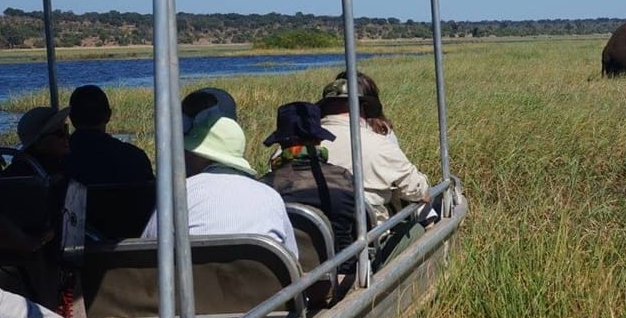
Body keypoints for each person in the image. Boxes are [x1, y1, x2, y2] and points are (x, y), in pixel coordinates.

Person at [141, 105, 298, 258]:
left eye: (187, 153)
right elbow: (291, 257)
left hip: (192, 284)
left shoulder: (177, 195)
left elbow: (147, 252)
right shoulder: (270, 196)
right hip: (268, 285)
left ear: (199, 157)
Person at [316, 71, 430, 266]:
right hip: (367, 247)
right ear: (363, 107)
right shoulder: (379, 144)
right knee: (417, 229)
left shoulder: (295, 148)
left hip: (314, 249)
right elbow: (419, 190)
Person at [258, 101, 358, 272]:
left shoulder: (264, 187)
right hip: (343, 273)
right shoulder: (344, 178)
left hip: (288, 280)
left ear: (280, 144)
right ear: (319, 140)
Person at [64, 85, 155, 239]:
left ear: (71, 118)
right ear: (108, 115)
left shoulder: (58, 159)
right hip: (131, 244)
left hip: (73, 247)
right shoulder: (134, 157)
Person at [2, 106, 70, 180]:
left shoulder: (16, 168)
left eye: (66, 129)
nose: (67, 136)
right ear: (40, 143)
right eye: (59, 133)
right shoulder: (53, 170)